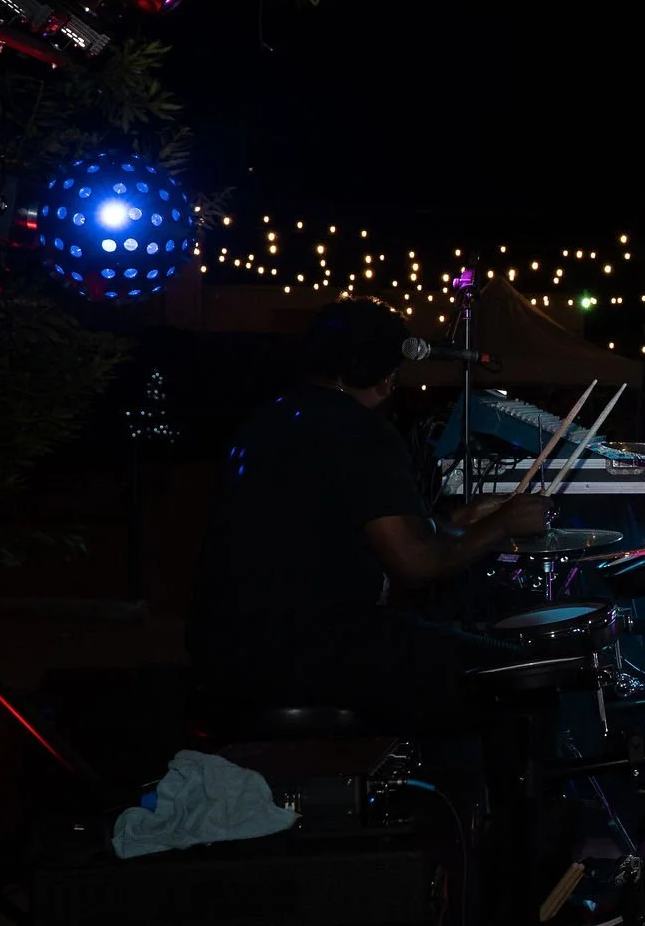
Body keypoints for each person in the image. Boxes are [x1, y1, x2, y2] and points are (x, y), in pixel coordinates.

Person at [188, 297, 549, 738]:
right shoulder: (359, 430)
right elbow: (416, 564)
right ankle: (458, 802)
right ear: (387, 374)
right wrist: (504, 525)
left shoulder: (269, 420)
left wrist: (461, 520)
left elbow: (353, 529)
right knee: (513, 674)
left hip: (229, 648)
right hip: (314, 650)